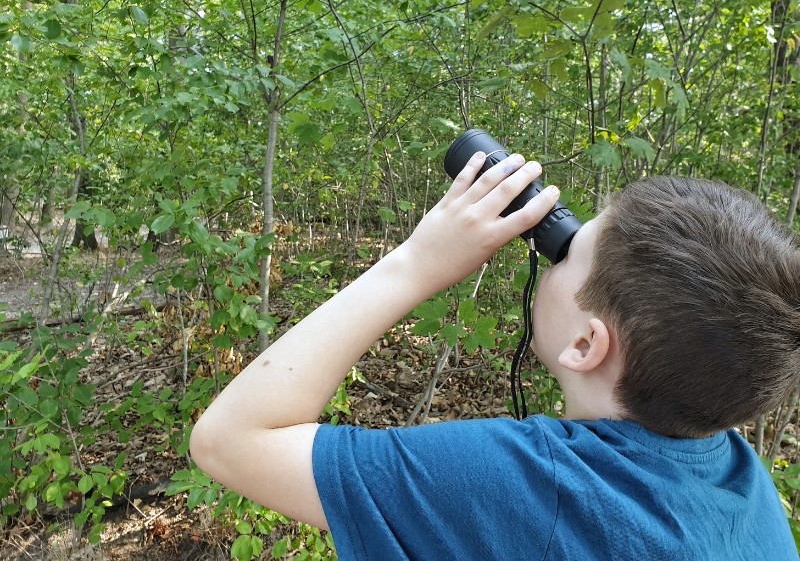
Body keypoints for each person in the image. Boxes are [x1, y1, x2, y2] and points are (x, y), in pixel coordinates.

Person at [190, 150, 800, 559]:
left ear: (587, 344)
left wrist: (414, 266)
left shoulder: (529, 484)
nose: (551, 253)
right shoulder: (742, 485)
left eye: (568, 252)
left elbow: (230, 438)